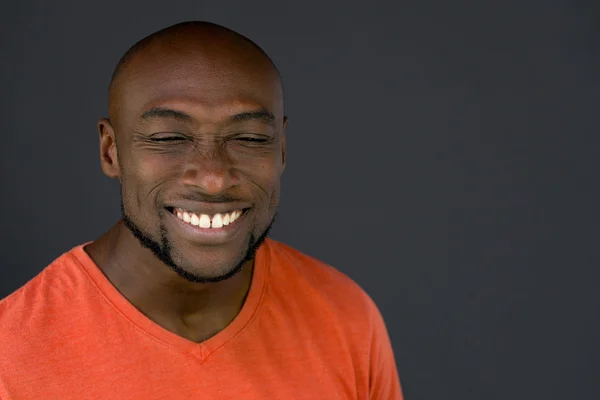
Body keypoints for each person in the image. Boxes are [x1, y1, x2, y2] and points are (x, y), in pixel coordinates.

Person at [0, 21, 403, 399]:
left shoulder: (345, 318)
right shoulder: (11, 353)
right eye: (168, 137)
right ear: (111, 151)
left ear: (281, 150)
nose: (213, 178)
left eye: (248, 137)